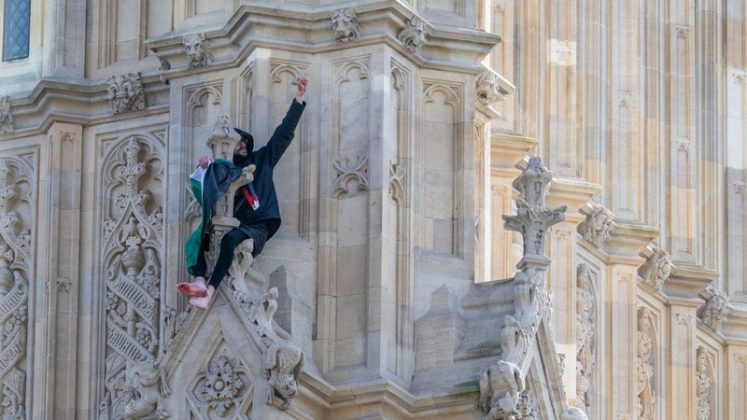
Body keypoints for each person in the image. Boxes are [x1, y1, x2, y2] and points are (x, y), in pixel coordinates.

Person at [177, 77, 308, 309]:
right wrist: (204, 167)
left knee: (229, 240)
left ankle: (209, 291)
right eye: (236, 143)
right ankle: (198, 280)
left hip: (259, 226)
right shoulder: (225, 172)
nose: (241, 145)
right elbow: (204, 192)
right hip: (238, 222)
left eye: (243, 141)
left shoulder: (261, 160)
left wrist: (298, 100)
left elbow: (284, 133)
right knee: (202, 237)